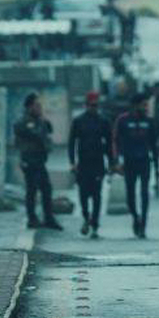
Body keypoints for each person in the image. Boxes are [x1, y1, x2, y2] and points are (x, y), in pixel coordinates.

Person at [13, 93, 62, 231]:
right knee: (32, 189)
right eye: (37, 105)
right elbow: (36, 134)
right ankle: (32, 218)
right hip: (29, 159)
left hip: (40, 160)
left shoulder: (40, 121)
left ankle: (48, 218)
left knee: (46, 189)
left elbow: (48, 131)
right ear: (29, 107)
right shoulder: (22, 122)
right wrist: (39, 126)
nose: (39, 108)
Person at [68, 91, 112, 238]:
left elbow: (109, 144)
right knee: (83, 195)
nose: (94, 108)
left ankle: (95, 224)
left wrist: (111, 163)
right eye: (92, 105)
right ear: (86, 105)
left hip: (98, 163)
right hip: (83, 164)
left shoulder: (103, 121)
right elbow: (71, 142)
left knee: (97, 195)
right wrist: (72, 162)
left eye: (96, 105)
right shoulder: (78, 121)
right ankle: (86, 217)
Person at [112, 92, 156, 239]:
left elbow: (154, 144)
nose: (146, 107)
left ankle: (143, 224)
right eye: (144, 105)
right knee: (130, 196)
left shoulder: (149, 121)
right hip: (129, 163)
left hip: (144, 161)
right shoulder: (123, 120)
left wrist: (157, 166)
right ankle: (135, 217)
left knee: (144, 193)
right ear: (136, 105)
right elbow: (115, 141)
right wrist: (116, 161)